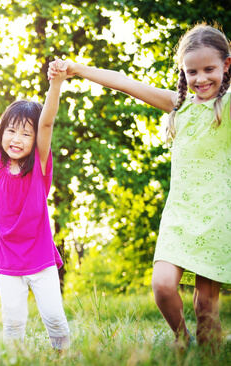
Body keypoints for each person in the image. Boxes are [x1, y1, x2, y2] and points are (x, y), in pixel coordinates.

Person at [48, 24, 231, 350]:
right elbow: (125, 83)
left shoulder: (227, 106)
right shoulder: (180, 106)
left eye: (209, 69)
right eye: (192, 71)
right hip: (179, 214)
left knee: (207, 311)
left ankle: (209, 351)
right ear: (183, 72)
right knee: (162, 286)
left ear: (226, 66)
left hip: (217, 218)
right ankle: (181, 337)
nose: (201, 79)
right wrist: (77, 69)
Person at [0, 58, 71, 351]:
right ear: (2, 133)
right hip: (7, 257)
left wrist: (55, 84)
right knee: (13, 322)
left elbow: (46, 121)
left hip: (39, 256)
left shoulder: (40, 169)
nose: (16, 139)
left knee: (55, 318)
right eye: (11, 131)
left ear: (36, 140)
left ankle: (62, 357)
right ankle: (14, 359)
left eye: (25, 133)